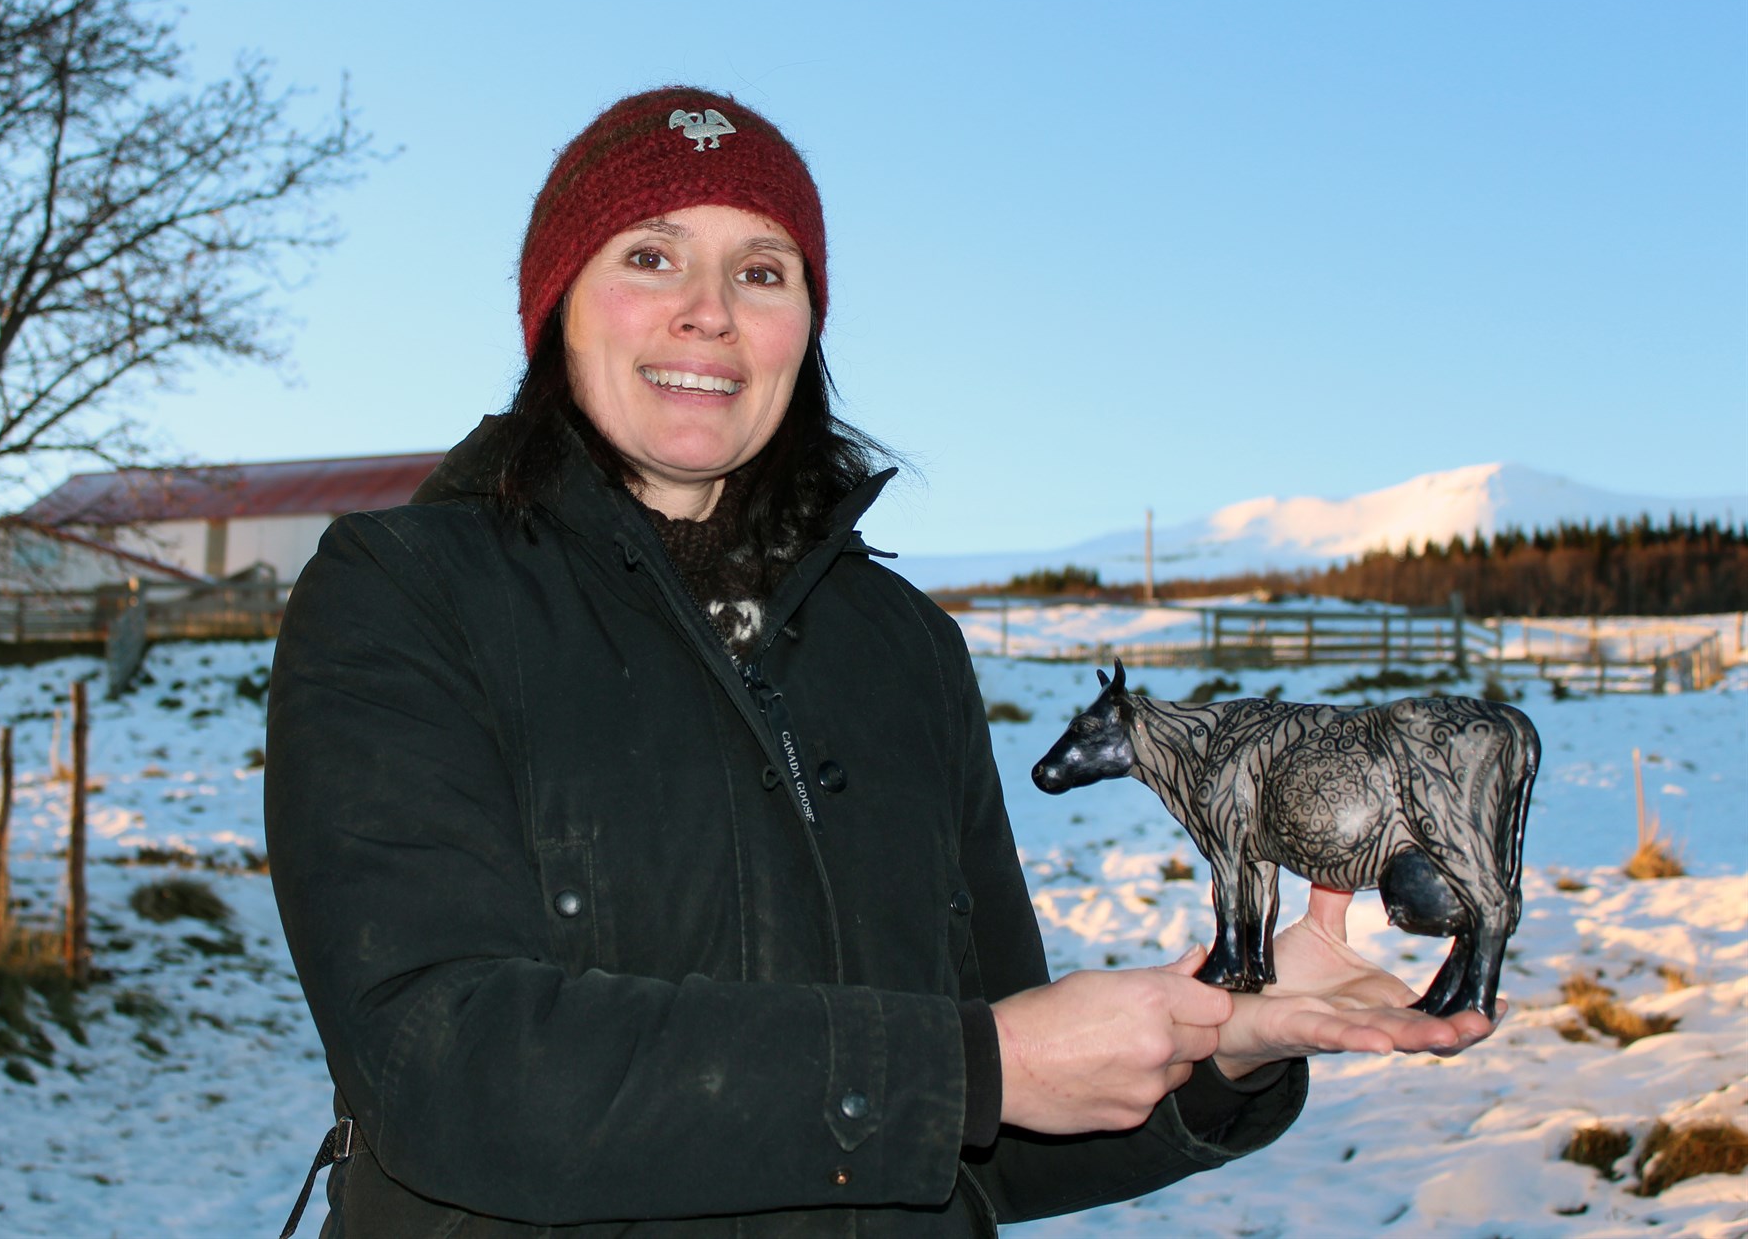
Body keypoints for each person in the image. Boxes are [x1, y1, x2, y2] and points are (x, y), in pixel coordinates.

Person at [264, 87, 1494, 1238]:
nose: (708, 309)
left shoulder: (903, 649)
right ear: (557, 307)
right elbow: (444, 1063)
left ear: (803, 326)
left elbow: (980, 1129)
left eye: (761, 270)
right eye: (649, 257)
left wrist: (1221, 1043)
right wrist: (972, 1066)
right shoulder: (407, 592)